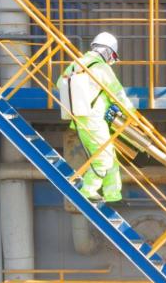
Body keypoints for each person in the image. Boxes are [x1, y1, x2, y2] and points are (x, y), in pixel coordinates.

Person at [57, 32, 135, 205]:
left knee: (110, 156)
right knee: (103, 158)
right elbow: (118, 93)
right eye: (113, 56)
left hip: (82, 119)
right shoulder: (101, 68)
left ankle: (113, 194)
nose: (112, 61)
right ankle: (88, 190)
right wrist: (131, 114)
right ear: (107, 51)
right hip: (93, 121)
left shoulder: (76, 64)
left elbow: (60, 83)